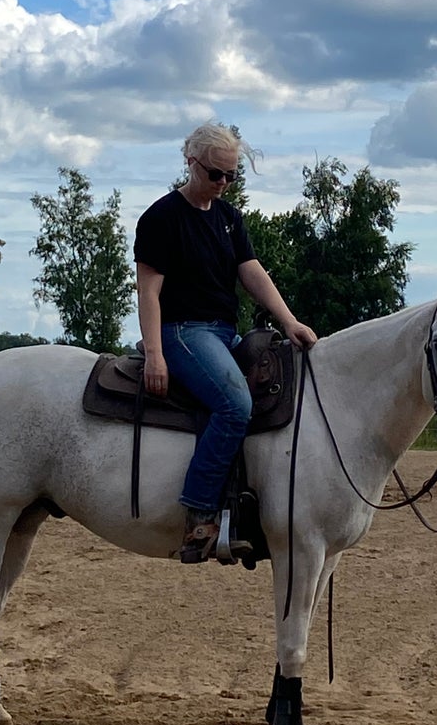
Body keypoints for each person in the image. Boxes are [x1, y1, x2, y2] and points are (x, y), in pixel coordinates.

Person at [134, 124, 318, 563]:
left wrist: (288, 321)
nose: (222, 184)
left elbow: (251, 272)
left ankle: (251, 509)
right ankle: (199, 513)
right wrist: (155, 352)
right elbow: (148, 292)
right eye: (216, 174)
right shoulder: (161, 218)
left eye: (231, 176)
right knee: (236, 404)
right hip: (183, 331)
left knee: (280, 387)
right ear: (191, 161)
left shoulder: (229, 219)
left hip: (224, 331)